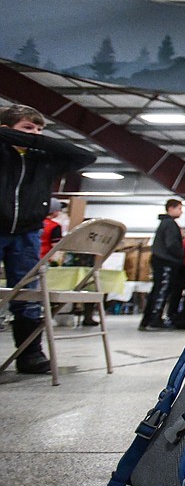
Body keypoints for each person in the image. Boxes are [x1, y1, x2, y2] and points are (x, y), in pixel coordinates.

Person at [1, 105, 96, 374]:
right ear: (7, 130)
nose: (35, 134)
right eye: (27, 128)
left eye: (40, 129)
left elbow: (86, 156)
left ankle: (30, 355)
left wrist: (34, 140)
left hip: (28, 233)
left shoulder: (43, 158)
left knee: (29, 295)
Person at [139, 199, 184, 330]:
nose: (181, 212)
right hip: (166, 261)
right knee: (161, 291)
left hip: (161, 260)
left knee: (157, 290)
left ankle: (148, 320)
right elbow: (172, 244)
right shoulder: (170, 224)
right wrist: (181, 253)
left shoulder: (164, 223)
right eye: (179, 209)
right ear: (171, 208)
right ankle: (154, 319)